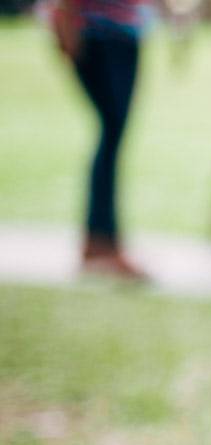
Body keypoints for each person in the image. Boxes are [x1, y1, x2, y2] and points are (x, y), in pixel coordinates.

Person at [50, 0, 151, 281]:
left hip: (120, 33)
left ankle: (101, 240)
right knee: (111, 133)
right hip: (99, 34)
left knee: (112, 136)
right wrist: (66, 21)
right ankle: (103, 242)